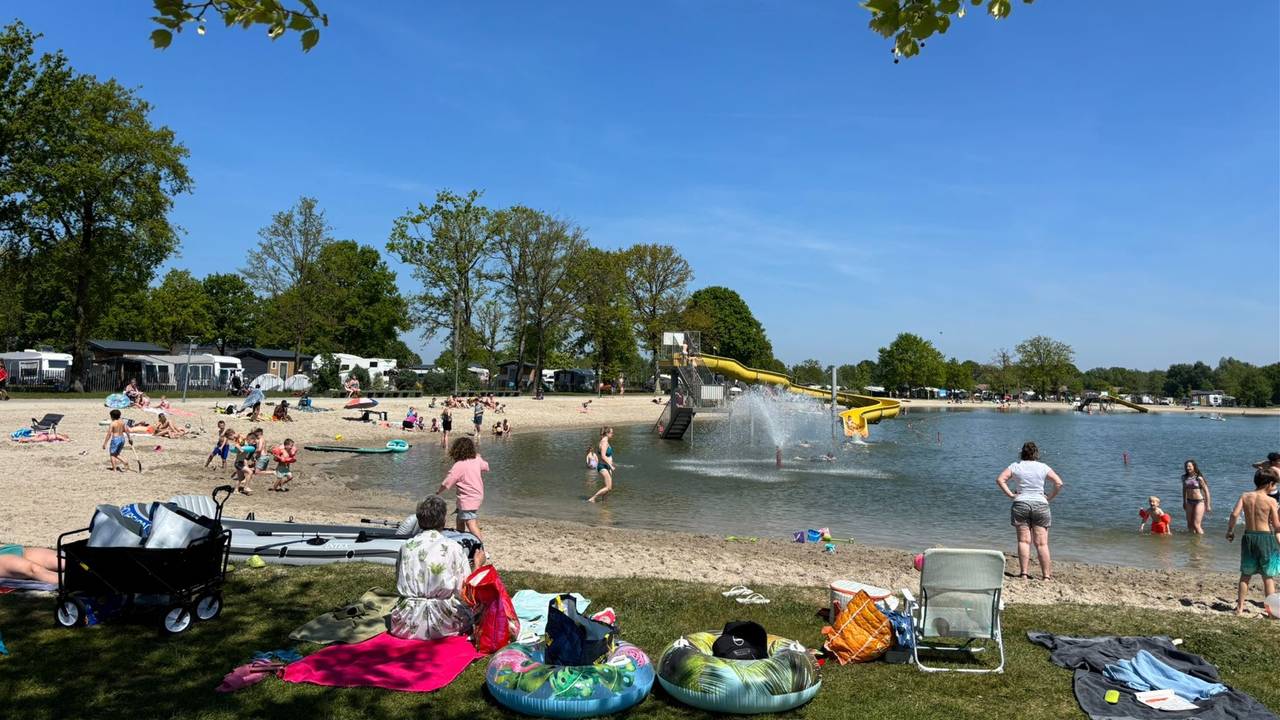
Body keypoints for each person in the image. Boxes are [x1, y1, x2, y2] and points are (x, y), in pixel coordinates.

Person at [389, 496, 473, 641]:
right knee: (474, 613)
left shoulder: (406, 546)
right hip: (442, 622)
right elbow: (464, 590)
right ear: (443, 520)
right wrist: (478, 565)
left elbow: (399, 580)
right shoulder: (453, 547)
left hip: (406, 623)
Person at [995, 441, 1063, 580]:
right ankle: (1046, 576)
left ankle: (1024, 574)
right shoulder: (1043, 467)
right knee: (1042, 543)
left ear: (1022, 453)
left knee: (1024, 541)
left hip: (1021, 504)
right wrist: (1049, 497)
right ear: (1036, 454)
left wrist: (1011, 495)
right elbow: (1058, 483)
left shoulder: (1015, 466)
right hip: (1040, 504)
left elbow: (1000, 479)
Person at [1225, 469, 1279, 616]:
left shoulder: (1245, 496)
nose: (1274, 488)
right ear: (1269, 484)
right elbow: (1276, 525)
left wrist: (1230, 531)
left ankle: (1240, 608)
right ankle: (1271, 612)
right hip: (1265, 538)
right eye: (1274, 485)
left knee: (1245, 575)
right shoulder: (1271, 501)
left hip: (1249, 537)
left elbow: (1234, 514)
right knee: (1268, 577)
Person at [437, 437, 488, 541]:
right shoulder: (476, 460)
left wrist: (438, 492)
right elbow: (486, 466)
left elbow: (448, 482)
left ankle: (481, 547)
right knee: (460, 519)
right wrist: (479, 457)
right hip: (476, 496)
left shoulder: (459, 465)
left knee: (470, 522)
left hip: (468, 499)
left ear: (457, 451)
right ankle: (460, 538)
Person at [1181, 459, 1212, 534]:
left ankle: (1201, 541)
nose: (1188, 468)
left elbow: (1206, 491)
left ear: (1194, 466)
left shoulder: (1199, 478)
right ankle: (1192, 542)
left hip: (1199, 502)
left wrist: (1208, 505)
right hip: (1189, 501)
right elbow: (1184, 490)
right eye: (1186, 466)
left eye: (1189, 466)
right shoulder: (1184, 477)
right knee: (1189, 525)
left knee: (1196, 524)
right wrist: (1184, 502)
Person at [588, 426, 616, 503]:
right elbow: (603, 456)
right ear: (607, 433)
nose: (613, 434)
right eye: (611, 433)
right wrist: (610, 465)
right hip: (603, 466)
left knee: (609, 487)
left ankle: (604, 502)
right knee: (608, 487)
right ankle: (593, 498)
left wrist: (611, 463)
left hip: (607, 466)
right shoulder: (604, 442)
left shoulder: (605, 441)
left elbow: (607, 456)